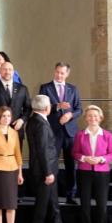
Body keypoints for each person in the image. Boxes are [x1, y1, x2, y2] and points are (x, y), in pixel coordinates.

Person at [39, 62, 82, 203]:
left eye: (62, 73)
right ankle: (52, 196)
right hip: (53, 131)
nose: (59, 75)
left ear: (67, 74)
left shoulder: (73, 89)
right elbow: (41, 107)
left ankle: (71, 195)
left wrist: (70, 115)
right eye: (57, 72)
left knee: (71, 165)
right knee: (52, 164)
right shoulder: (45, 87)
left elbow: (79, 109)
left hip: (70, 132)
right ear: (54, 71)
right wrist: (57, 106)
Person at [74, 105, 112, 223]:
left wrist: (102, 159)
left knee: (102, 206)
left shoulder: (107, 135)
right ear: (86, 118)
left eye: (95, 116)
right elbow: (74, 153)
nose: (93, 118)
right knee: (85, 205)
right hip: (84, 172)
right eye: (90, 116)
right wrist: (84, 158)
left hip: (102, 173)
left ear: (100, 118)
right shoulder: (80, 135)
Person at [26, 95, 64, 223]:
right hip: (44, 171)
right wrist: (48, 172)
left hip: (47, 168)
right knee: (42, 203)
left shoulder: (34, 120)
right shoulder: (40, 123)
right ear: (47, 108)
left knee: (53, 202)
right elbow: (42, 150)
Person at [0, 61, 31, 134]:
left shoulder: (22, 89)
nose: (7, 72)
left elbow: (28, 108)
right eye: (5, 69)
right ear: (0, 71)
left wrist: (22, 120)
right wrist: (1, 121)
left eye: (10, 69)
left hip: (17, 128)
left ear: (13, 72)